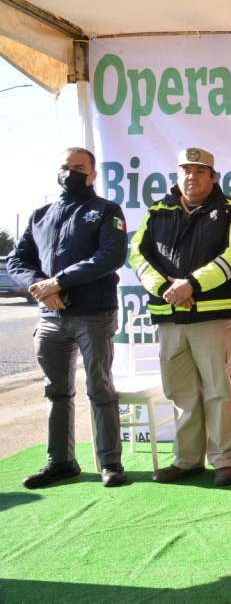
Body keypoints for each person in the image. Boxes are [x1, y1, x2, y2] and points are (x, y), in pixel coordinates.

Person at [8, 147, 128, 489]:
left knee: (100, 388)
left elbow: (110, 256)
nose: (70, 172)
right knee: (55, 391)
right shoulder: (41, 214)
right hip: (50, 317)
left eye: (78, 167)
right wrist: (41, 288)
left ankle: (110, 463)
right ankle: (60, 462)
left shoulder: (106, 210)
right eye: (65, 166)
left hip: (94, 314)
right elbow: (18, 261)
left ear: (92, 175)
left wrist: (58, 281)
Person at [129, 148, 231, 486]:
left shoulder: (230, 210)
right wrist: (160, 286)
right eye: (185, 170)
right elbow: (137, 253)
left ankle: (224, 461)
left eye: (200, 171)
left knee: (218, 390)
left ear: (213, 177)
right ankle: (187, 461)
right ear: (177, 176)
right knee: (180, 391)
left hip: (212, 316)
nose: (192, 177)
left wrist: (191, 284)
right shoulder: (157, 211)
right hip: (169, 317)